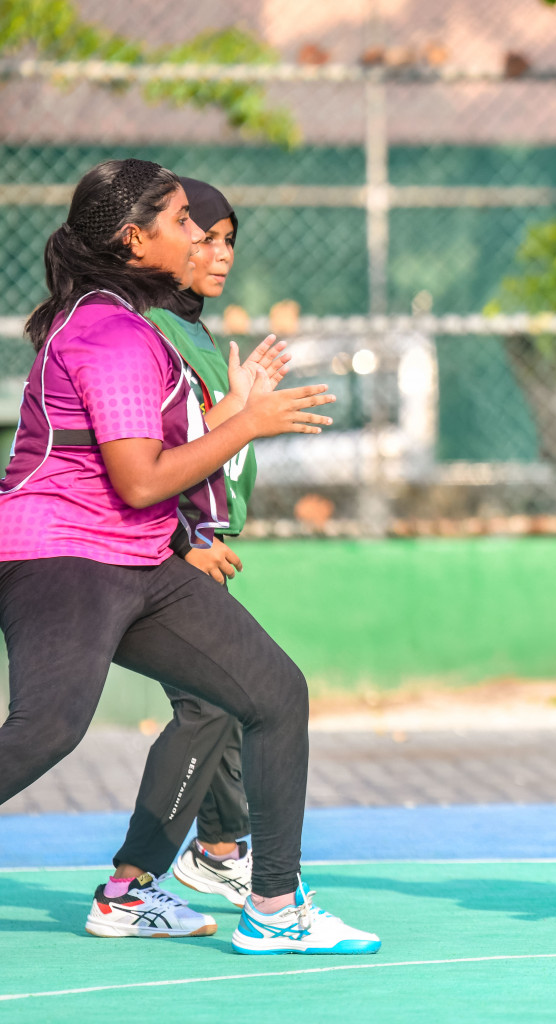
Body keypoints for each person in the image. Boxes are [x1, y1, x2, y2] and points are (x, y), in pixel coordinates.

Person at [0, 158, 378, 955]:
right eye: (181, 222)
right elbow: (140, 482)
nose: (197, 235)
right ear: (135, 240)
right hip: (65, 557)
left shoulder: (132, 326)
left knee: (273, 693)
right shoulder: (109, 331)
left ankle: (274, 906)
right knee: (46, 731)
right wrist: (247, 424)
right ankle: (154, 885)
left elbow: (151, 472)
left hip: (138, 562)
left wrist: (229, 413)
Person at [96, 178, 288, 934]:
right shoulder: (139, 326)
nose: (221, 253)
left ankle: (215, 848)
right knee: (214, 702)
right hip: (150, 548)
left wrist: (236, 407)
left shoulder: (189, 330)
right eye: (202, 234)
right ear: (151, 238)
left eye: (229, 239)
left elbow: (191, 434)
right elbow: (139, 458)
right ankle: (133, 883)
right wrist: (182, 542)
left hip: (186, 545)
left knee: (235, 698)